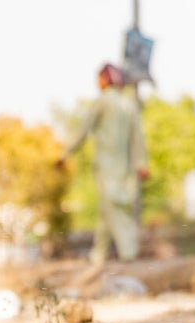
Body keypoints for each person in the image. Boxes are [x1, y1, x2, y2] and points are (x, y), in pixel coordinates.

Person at [57, 62, 150, 265]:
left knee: (114, 209)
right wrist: (141, 164)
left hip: (106, 167)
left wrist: (65, 154)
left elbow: (83, 129)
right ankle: (97, 255)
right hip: (124, 168)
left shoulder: (102, 102)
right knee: (109, 209)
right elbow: (138, 139)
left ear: (105, 79)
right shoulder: (128, 105)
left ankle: (128, 253)